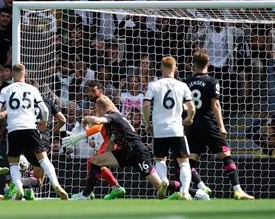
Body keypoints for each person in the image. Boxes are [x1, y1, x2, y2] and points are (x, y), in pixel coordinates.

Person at [0, 64, 68, 200]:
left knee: (13, 162)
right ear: (24, 73)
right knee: (43, 159)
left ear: (12, 75)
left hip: (14, 129)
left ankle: (19, 188)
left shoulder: (6, 89)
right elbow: (44, 109)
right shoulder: (32, 89)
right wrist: (44, 121)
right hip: (31, 128)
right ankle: (56, 184)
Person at [184, 50, 254, 200]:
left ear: (193, 65)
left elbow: (184, 105)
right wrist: (221, 126)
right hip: (209, 125)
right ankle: (237, 190)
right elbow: (215, 104)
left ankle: (198, 188)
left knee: (190, 162)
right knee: (225, 155)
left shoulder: (186, 82)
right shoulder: (212, 81)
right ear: (208, 64)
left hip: (193, 126)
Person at [71, 95, 166, 200]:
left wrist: (86, 118)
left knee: (159, 185)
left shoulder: (113, 115)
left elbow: (97, 121)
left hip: (137, 152)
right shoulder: (110, 124)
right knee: (95, 161)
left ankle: (182, 189)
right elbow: (112, 144)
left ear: (99, 108)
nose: (95, 110)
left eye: (95, 108)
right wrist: (103, 159)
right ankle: (85, 195)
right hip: (125, 153)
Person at [142, 56, 195, 200]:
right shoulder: (182, 85)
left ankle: (164, 180)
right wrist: (189, 118)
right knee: (184, 162)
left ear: (161, 68)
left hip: (159, 130)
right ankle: (184, 191)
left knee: (160, 159)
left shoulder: (154, 85)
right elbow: (191, 107)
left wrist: (147, 123)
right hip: (176, 129)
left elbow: (146, 104)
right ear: (175, 68)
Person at [63, 80, 126, 200]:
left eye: (93, 91)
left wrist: (79, 136)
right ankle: (113, 188)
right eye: (89, 91)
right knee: (94, 162)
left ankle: (88, 193)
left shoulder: (102, 102)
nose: (90, 94)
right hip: (110, 137)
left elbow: (98, 126)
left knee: (94, 162)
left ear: (100, 91)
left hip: (112, 138)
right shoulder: (100, 102)